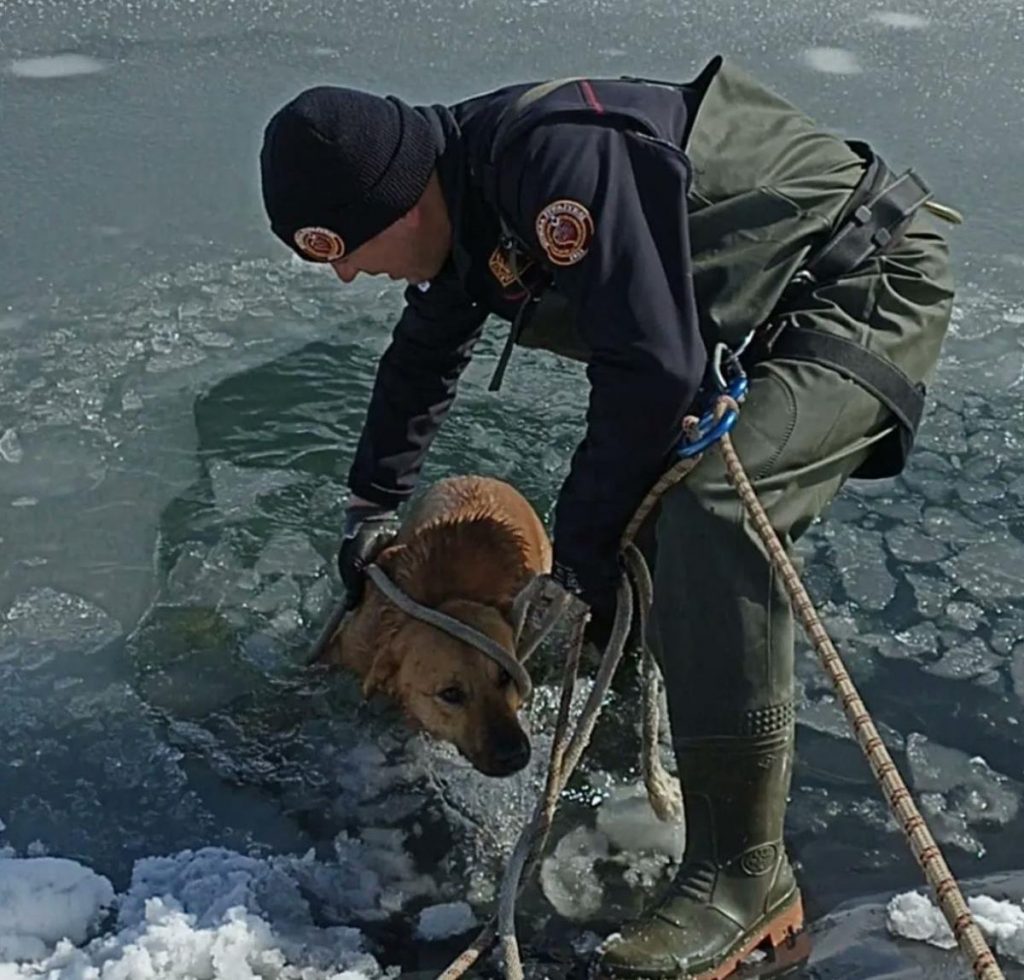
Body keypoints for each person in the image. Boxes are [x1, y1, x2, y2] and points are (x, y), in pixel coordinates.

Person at [259, 55, 954, 979]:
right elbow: (426, 351)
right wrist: (372, 505)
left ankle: (747, 879)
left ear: (400, 204)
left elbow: (654, 371)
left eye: (342, 246)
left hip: (861, 284)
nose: (347, 274)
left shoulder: (554, 168)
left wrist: (578, 558)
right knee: (640, 514)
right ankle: (633, 704)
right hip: (753, 313)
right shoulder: (465, 189)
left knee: (710, 515)